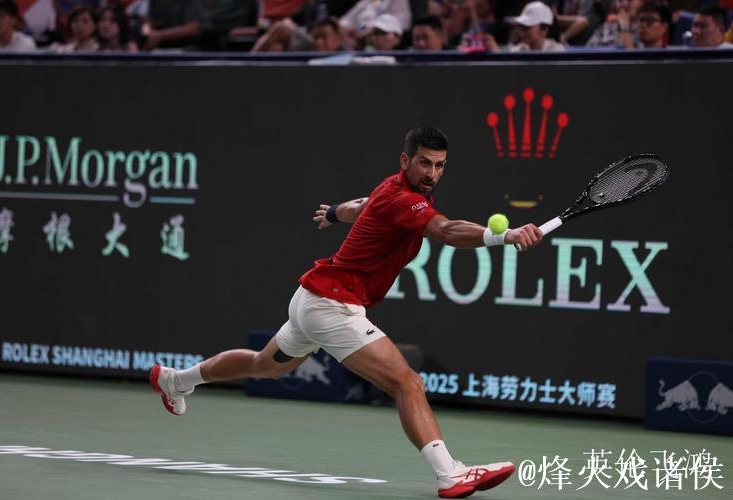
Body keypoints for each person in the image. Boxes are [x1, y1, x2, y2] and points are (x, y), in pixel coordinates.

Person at [150, 127, 543, 498]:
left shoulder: (391, 190)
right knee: (407, 382)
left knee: (264, 364)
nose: (432, 173)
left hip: (310, 299)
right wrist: (505, 236)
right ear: (405, 160)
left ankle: (175, 380)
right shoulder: (405, 200)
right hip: (332, 305)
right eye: (425, 163)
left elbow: (363, 207)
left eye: (440, 165)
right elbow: (446, 230)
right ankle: (450, 474)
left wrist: (335, 212)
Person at [483, 1, 567, 52]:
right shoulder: (520, 49)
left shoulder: (557, 50)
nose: (522, 32)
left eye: (527, 27)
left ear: (544, 29)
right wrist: (495, 50)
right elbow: (508, 68)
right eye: (521, 27)